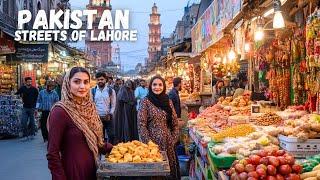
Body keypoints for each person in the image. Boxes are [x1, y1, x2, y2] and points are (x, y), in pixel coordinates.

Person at [46, 67, 113, 180]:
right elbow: (52, 153)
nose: (82, 86)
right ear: (68, 83)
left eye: (86, 82)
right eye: (77, 81)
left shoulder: (90, 108)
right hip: (73, 172)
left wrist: (121, 148)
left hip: (92, 169)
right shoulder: (60, 111)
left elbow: (97, 143)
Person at [138, 75, 180, 180]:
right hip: (152, 146)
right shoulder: (145, 102)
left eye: (160, 85)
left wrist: (173, 139)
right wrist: (149, 144)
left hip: (168, 143)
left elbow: (175, 123)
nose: (157, 87)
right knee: (155, 174)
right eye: (154, 85)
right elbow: (141, 125)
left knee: (168, 172)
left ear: (164, 86)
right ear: (150, 86)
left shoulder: (168, 101)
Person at [91, 72, 116, 144]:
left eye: (102, 79)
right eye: (98, 80)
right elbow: (91, 104)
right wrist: (94, 115)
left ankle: (110, 152)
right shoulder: (93, 91)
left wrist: (110, 114)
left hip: (108, 117)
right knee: (99, 136)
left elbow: (113, 104)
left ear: (105, 80)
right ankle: (100, 152)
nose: (100, 81)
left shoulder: (110, 91)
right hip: (97, 118)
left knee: (111, 135)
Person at [113, 80, 139, 144]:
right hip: (124, 113)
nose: (128, 85)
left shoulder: (131, 91)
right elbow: (123, 100)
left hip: (130, 113)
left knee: (130, 126)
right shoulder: (123, 90)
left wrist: (133, 103)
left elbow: (133, 100)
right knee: (125, 126)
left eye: (130, 83)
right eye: (127, 83)